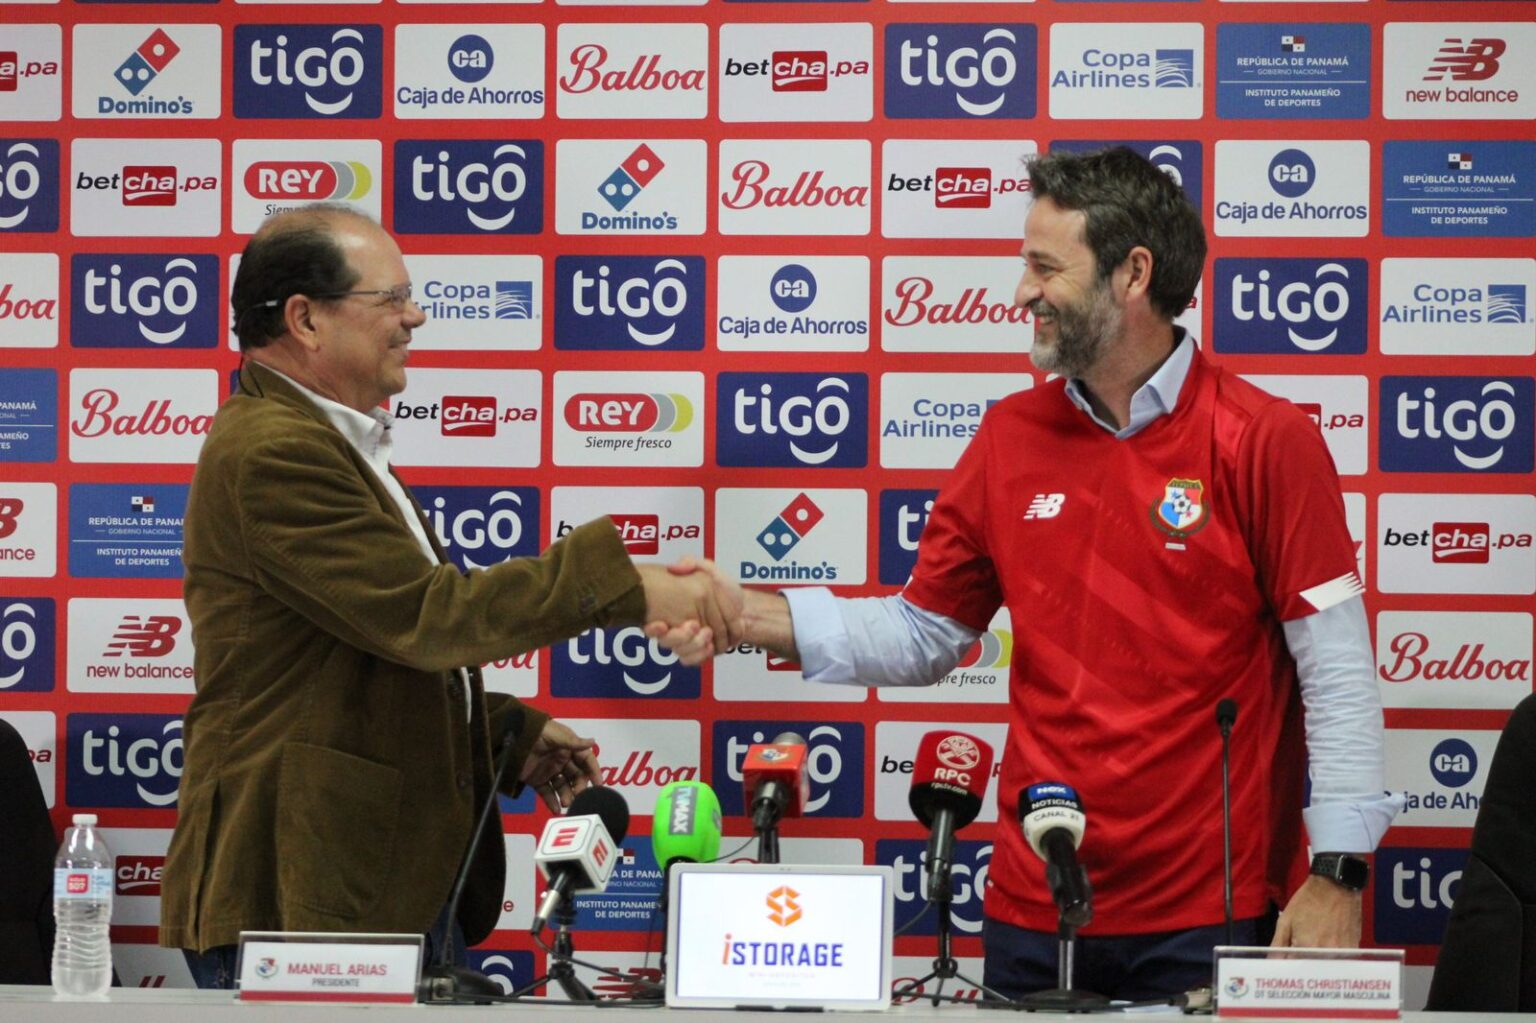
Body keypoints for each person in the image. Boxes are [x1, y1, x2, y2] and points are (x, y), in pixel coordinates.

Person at [651, 147, 1400, 1002]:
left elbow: (1337, 669)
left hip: (1211, 909)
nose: (1021, 292)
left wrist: (1339, 871)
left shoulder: (1263, 438)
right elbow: (923, 631)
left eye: (1046, 267)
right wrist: (746, 613)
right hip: (1033, 905)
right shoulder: (1009, 435)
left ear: (1133, 274)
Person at [159, 203, 739, 988]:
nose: (415, 316)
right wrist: (627, 584)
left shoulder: (327, 439)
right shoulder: (272, 450)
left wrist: (499, 730)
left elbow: (345, 666)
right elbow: (430, 618)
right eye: (391, 297)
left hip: (362, 887)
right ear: (305, 319)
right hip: (297, 901)